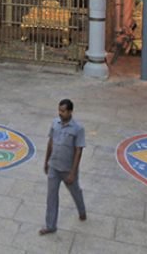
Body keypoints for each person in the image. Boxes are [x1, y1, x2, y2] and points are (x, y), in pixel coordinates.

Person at [39, 98, 87, 236]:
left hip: (67, 169)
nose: (60, 113)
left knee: (75, 191)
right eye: (59, 110)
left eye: (63, 111)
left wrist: (73, 172)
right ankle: (50, 226)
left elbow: (78, 150)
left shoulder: (78, 129)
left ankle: (82, 211)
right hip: (54, 166)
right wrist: (46, 161)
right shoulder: (55, 123)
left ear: (70, 111)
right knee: (51, 197)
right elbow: (50, 142)